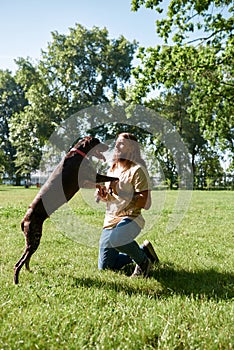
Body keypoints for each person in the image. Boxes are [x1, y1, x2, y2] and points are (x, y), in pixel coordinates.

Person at [96, 132, 159, 277]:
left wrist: (119, 191)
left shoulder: (137, 170)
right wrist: (103, 195)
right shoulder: (112, 169)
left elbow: (146, 203)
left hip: (131, 218)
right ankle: (144, 252)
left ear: (131, 148)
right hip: (110, 220)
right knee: (105, 267)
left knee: (117, 239)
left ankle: (143, 263)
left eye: (121, 143)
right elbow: (111, 197)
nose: (116, 145)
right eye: (117, 143)